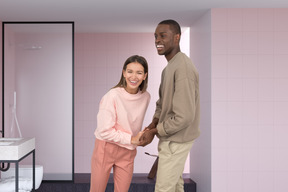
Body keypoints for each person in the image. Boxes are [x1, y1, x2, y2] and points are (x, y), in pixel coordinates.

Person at [138, 19, 200, 192]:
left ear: (177, 38)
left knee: (163, 189)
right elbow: (162, 102)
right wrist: (152, 125)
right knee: (175, 187)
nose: (157, 40)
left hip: (176, 140)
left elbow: (184, 116)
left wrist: (154, 131)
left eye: (163, 36)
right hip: (171, 138)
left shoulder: (183, 68)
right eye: (156, 36)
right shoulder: (170, 68)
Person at [90, 55, 151, 192]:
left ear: (145, 76)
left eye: (139, 72)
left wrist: (144, 134)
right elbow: (104, 131)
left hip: (128, 151)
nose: (133, 77)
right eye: (130, 71)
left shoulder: (146, 97)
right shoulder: (112, 96)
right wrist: (131, 139)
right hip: (106, 148)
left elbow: (133, 121)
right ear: (124, 73)